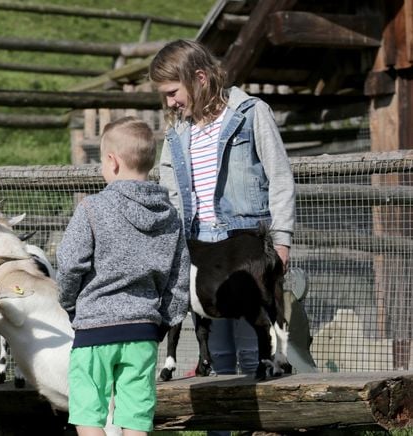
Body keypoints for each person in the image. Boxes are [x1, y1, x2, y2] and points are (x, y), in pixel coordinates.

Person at [148, 39, 296, 378]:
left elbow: (280, 177)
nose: (169, 102)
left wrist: (282, 241)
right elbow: (169, 192)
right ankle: (221, 429)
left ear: (200, 78)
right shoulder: (178, 133)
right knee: (216, 354)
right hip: (199, 250)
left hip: (244, 248)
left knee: (256, 346)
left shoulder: (250, 114)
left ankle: (259, 427)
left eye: (173, 92)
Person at [57, 117, 190, 436]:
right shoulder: (170, 216)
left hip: (94, 330)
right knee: (134, 416)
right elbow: (179, 280)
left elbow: (69, 264)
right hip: (142, 334)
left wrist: (70, 305)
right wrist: (161, 323)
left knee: (88, 414)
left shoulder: (92, 208)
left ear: (112, 162)